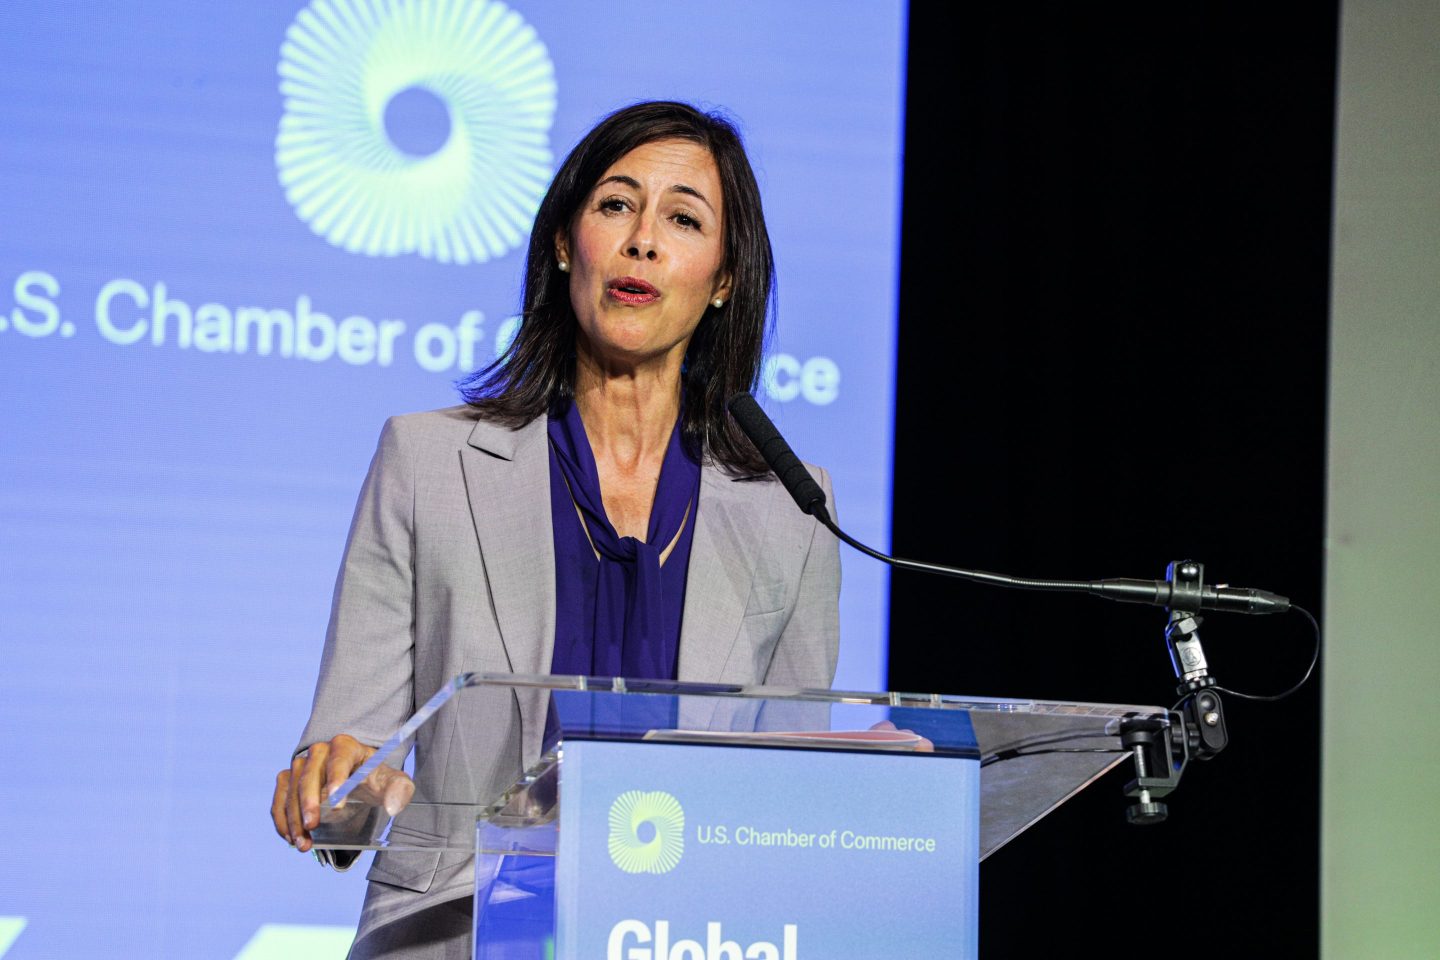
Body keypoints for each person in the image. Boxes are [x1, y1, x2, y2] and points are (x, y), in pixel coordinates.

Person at [270, 101, 840, 959]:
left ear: (724, 279)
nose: (642, 240)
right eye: (616, 205)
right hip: (462, 934)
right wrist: (342, 790)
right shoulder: (427, 462)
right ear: (567, 245)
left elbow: (788, 809)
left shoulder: (791, 508)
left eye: (683, 219)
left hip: (685, 938)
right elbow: (349, 764)